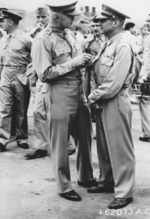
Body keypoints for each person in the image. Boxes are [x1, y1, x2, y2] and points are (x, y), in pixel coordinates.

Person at [31, 0, 97, 201]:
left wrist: (85, 61)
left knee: (85, 137)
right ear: (57, 17)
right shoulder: (42, 40)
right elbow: (44, 74)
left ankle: (85, 177)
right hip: (58, 92)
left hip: (78, 92)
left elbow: (75, 61)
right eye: (71, 16)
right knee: (60, 142)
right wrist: (73, 63)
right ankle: (64, 186)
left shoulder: (70, 34)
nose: (74, 19)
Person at [87, 4, 135, 209]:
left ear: (115, 22)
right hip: (103, 100)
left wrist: (93, 97)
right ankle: (106, 181)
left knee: (119, 148)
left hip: (114, 99)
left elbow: (114, 82)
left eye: (102, 21)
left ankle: (125, 192)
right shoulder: (109, 43)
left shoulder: (122, 45)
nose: (98, 23)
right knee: (105, 146)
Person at [0, 10, 32, 152]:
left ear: (11, 22)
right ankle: (2, 139)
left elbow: (35, 58)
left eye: (3, 20)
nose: (1, 23)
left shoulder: (25, 39)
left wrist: (28, 74)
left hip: (20, 74)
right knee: (4, 108)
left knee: (21, 108)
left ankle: (22, 138)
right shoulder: (2, 40)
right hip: (6, 73)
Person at [138, 14, 150, 142]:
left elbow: (147, 59)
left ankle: (148, 133)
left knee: (145, 103)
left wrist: (143, 76)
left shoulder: (148, 38)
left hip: (149, 76)